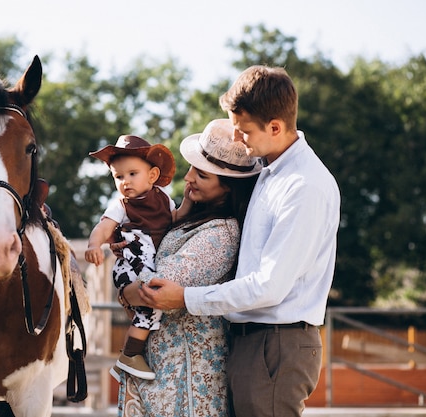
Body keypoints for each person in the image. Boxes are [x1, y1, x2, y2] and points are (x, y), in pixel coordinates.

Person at [138, 65, 341, 417]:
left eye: (243, 130)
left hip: (275, 342)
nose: (236, 137)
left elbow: (268, 287)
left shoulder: (303, 186)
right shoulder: (269, 170)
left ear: (275, 127)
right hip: (252, 340)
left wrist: (185, 297)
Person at [115, 118, 261, 417]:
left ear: (228, 190)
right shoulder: (185, 219)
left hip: (186, 376)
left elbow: (155, 287)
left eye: (203, 176)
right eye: (192, 168)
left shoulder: (222, 232)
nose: (189, 177)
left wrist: (124, 288)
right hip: (161, 369)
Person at [85, 135, 177, 380]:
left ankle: (130, 357)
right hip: (130, 266)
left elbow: (176, 221)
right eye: (118, 177)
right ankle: (129, 355)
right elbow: (104, 228)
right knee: (151, 303)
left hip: (149, 265)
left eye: (132, 174)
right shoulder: (122, 206)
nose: (125, 182)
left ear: (153, 175)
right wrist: (95, 244)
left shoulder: (165, 200)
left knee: (150, 309)